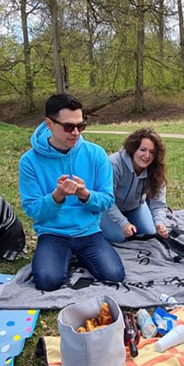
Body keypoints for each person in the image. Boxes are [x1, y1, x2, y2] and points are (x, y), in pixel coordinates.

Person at [18, 94, 125, 291]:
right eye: (68, 127)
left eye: (81, 126)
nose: (76, 132)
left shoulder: (96, 154)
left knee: (114, 276)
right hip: (53, 233)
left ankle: (76, 258)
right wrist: (56, 197)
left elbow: (107, 200)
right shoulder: (29, 161)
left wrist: (85, 194)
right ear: (49, 124)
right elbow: (32, 210)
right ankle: (63, 259)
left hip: (89, 232)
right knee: (47, 282)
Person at [99, 128, 171, 244]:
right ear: (133, 150)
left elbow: (158, 203)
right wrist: (123, 223)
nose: (147, 156)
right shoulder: (114, 164)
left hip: (135, 207)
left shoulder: (156, 170)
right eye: (143, 150)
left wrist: (160, 222)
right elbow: (107, 200)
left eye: (152, 152)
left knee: (150, 232)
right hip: (108, 208)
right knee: (119, 237)